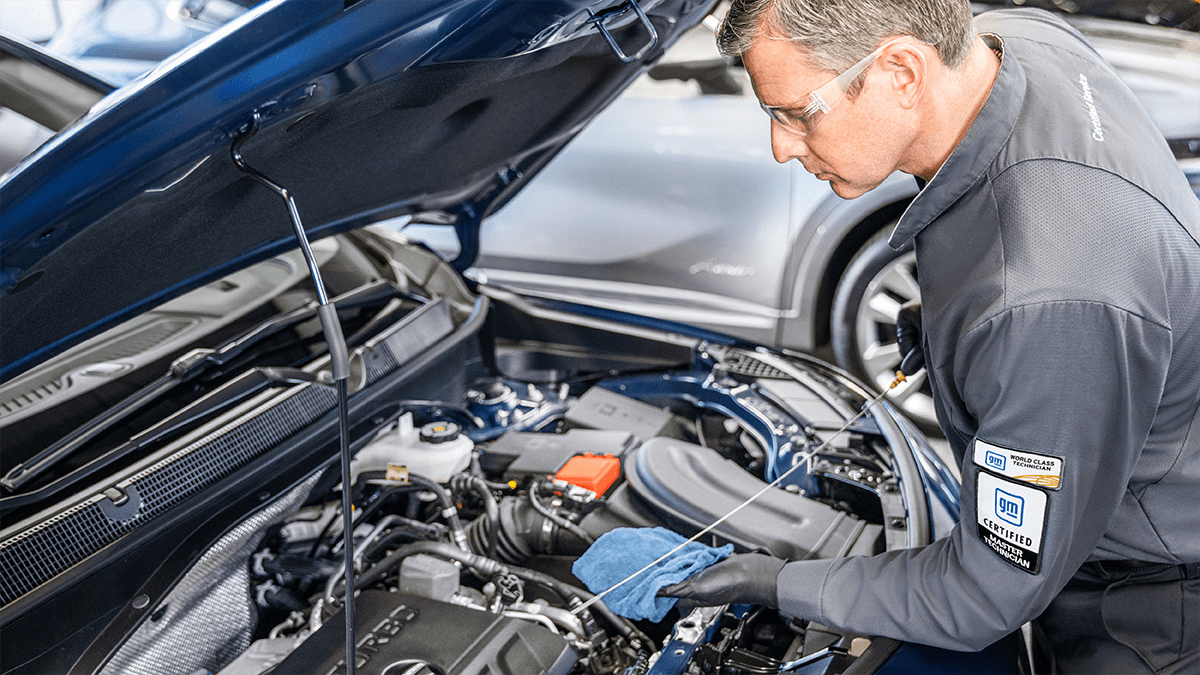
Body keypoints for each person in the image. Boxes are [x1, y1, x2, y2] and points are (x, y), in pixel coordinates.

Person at [658, 1, 1200, 672]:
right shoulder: (1020, 40)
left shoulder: (1048, 296)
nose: (781, 145)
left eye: (797, 112)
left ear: (903, 71)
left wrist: (775, 581)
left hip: (1149, 612)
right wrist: (951, 321)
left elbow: (982, 593)